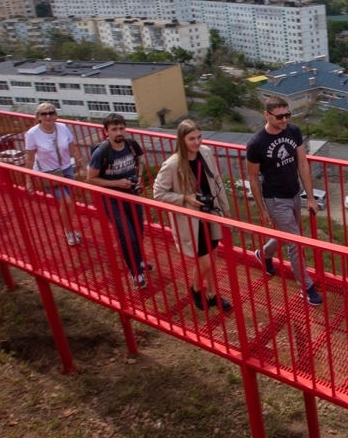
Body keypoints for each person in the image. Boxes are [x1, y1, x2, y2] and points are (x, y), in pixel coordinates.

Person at [246, 96, 322, 306]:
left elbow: (303, 163)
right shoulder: (256, 143)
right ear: (267, 115)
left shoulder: (294, 131)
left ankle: (263, 253)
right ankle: (306, 287)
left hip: (294, 193)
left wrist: (311, 197)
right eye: (279, 116)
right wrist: (261, 208)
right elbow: (253, 177)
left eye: (287, 115)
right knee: (296, 243)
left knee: (288, 236)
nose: (284, 120)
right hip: (275, 198)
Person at [153, 119, 232, 312]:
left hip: (209, 212)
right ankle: (196, 288)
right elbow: (158, 193)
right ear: (182, 140)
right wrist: (185, 198)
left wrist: (226, 209)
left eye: (199, 137)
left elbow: (217, 181)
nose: (197, 142)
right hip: (191, 221)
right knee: (205, 262)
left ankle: (213, 294)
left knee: (212, 256)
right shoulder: (171, 164)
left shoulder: (205, 152)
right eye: (191, 139)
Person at [88, 113, 151, 288]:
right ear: (106, 131)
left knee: (138, 232)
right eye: (114, 129)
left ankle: (138, 262)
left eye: (121, 128)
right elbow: (90, 178)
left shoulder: (131, 145)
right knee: (127, 236)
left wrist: (137, 177)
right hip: (112, 200)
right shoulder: (101, 153)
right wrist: (117, 183)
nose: (119, 132)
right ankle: (136, 272)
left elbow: (139, 161)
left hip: (131, 194)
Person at [24, 103, 85, 246]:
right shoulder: (32, 134)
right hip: (48, 173)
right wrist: (29, 180)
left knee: (70, 203)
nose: (48, 116)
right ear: (38, 117)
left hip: (66, 170)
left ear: (55, 115)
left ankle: (69, 228)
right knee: (66, 202)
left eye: (50, 113)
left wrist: (85, 167)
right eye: (43, 114)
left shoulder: (63, 128)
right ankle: (69, 232)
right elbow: (30, 158)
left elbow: (73, 150)